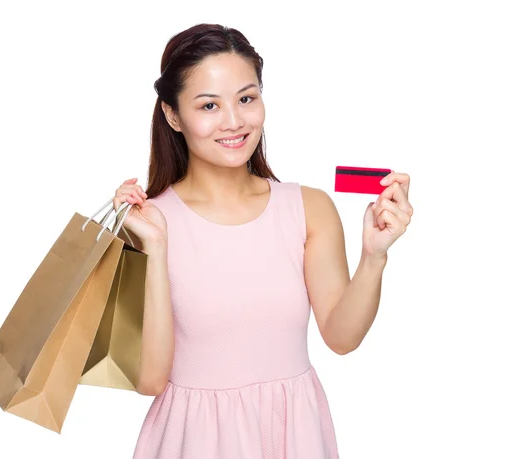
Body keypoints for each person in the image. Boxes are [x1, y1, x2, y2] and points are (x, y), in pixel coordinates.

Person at [112, 23, 413, 459]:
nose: (234, 121)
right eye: (209, 105)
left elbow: (342, 338)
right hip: (193, 442)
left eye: (246, 98)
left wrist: (373, 257)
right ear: (173, 115)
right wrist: (154, 250)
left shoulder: (309, 208)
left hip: (293, 434)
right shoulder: (149, 224)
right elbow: (150, 381)